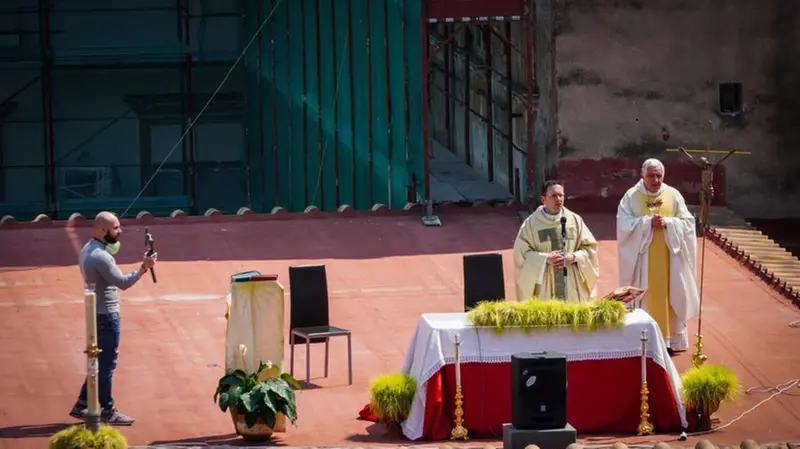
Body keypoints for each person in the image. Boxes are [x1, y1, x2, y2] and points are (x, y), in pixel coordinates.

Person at [69, 211, 157, 425]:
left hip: (97, 314)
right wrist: (144, 267)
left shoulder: (88, 249)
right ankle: (108, 410)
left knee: (98, 362)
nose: (120, 231)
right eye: (116, 228)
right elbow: (123, 282)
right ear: (102, 230)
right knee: (107, 365)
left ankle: (82, 403)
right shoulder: (101, 256)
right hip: (107, 317)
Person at [616, 159, 700, 352]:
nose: (655, 180)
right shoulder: (631, 196)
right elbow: (623, 223)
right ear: (642, 176)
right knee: (647, 295)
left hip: (671, 258)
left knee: (672, 293)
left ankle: (670, 341)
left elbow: (687, 222)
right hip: (643, 260)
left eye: (659, 176)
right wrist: (646, 224)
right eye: (651, 176)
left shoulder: (673, 195)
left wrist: (669, 223)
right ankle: (643, 341)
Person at [513, 180, 600, 302]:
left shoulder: (574, 220)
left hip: (571, 284)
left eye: (561, 195)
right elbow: (521, 254)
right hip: (545, 285)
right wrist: (545, 258)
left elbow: (590, 248)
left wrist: (574, 257)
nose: (558, 199)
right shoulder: (531, 224)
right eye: (554, 196)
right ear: (543, 199)